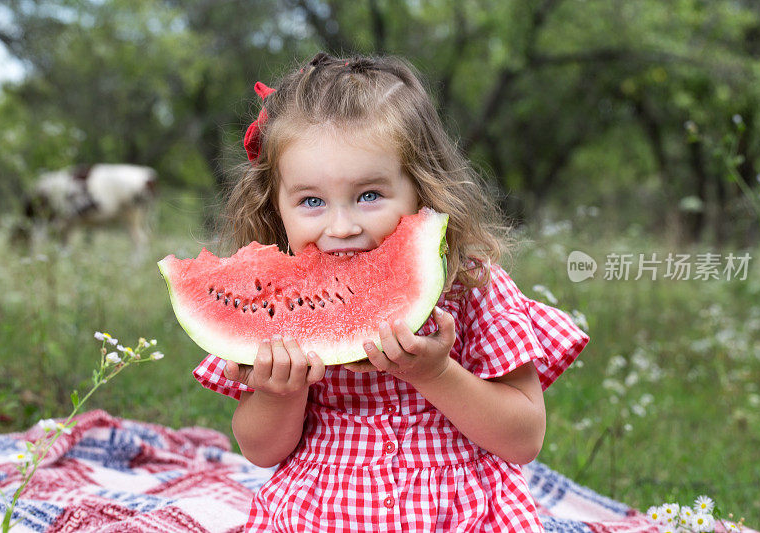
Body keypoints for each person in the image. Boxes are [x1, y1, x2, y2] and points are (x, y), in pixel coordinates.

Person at [193, 51, 589, 532]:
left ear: (423, 190)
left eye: (369, 196)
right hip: (320, 514)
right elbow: (260, 451)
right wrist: (280, 394)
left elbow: (524, 438)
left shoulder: (473, 289)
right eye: (312, 201)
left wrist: (437, 373)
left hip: (460, 515)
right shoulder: (277, 306)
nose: (342, 226)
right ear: (277, 208)